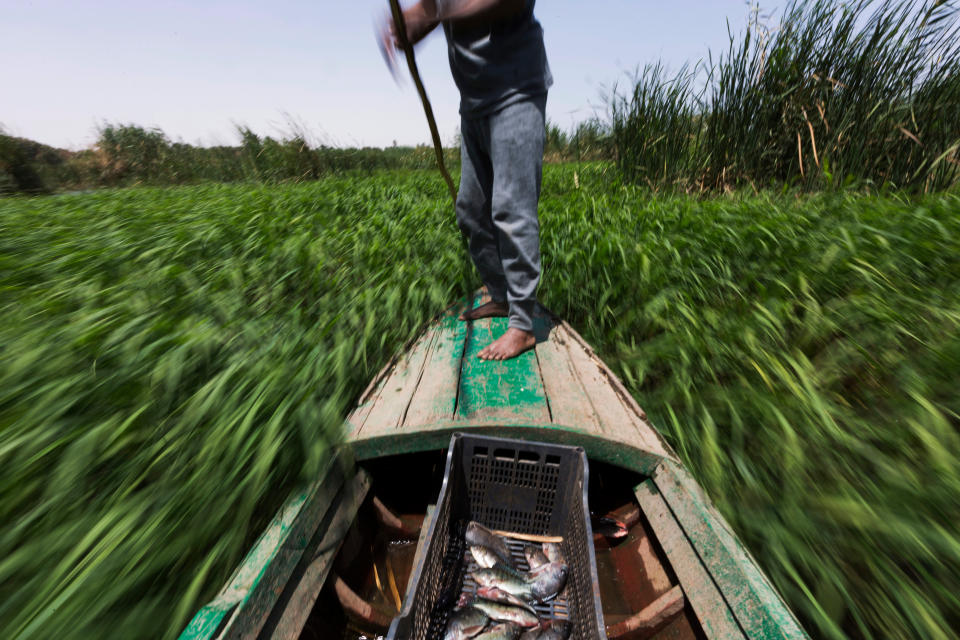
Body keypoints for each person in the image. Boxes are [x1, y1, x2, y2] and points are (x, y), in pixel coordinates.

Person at [382, 0, 551, 361]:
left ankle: (522, 327)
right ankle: (502, 297)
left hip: (517, 91)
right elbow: (427, 8)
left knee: (512, 208)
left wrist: (435, 17)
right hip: (474, 101)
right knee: (472, 210)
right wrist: (407, 23)